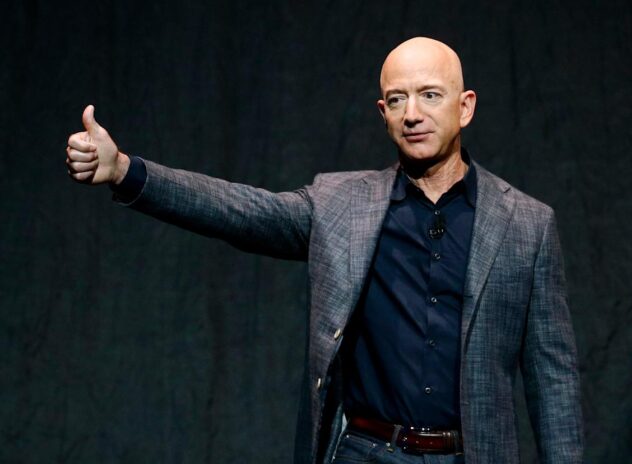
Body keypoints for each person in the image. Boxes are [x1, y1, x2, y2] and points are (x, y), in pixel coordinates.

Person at [65, 37, 583, 464]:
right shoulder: (341, 205)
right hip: (365, 452)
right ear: (382, 112)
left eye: (430, 95)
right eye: (397, 99)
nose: (412, 114)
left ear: (464, 106)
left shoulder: (527, 224)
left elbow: (553, 378)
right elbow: (239, 210)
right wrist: (126, 171)